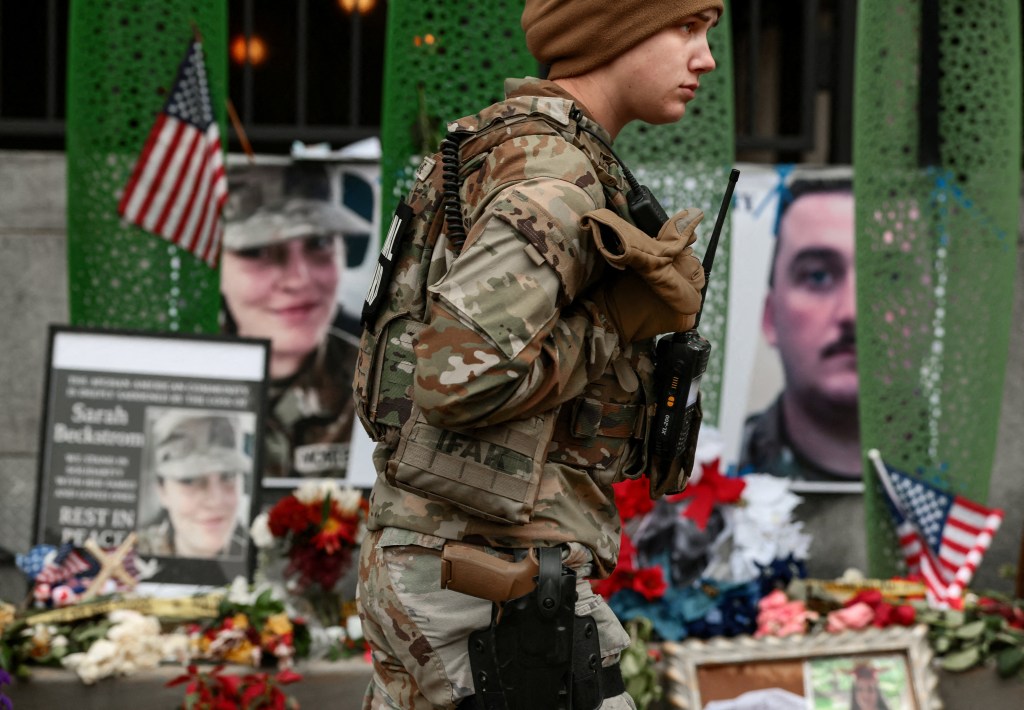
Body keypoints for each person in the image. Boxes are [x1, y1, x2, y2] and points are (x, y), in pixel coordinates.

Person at [355, 1, 724, 708]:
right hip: (488, 581)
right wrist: (619, 319)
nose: (704, 58)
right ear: (610, 28)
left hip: (455, 565)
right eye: (686, 27)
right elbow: (456, 379)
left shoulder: (513, 144)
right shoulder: (553, 174)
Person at [221, 197, 359, 479]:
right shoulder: (182, 380)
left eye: (319, 243)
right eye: (257, 251)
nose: (298, 279)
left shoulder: (382, 381)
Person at [738, 169, 858, 481]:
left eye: (889, 278)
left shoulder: (962, 471)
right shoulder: (717, 465)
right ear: (769, 317)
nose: (852, 312)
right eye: (817, 276)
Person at [137, 411, 251, 559]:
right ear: (161, 490)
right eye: (189, 480)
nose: (216, 500)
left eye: (228, 476)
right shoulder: (130, 557)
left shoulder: (262, 558)